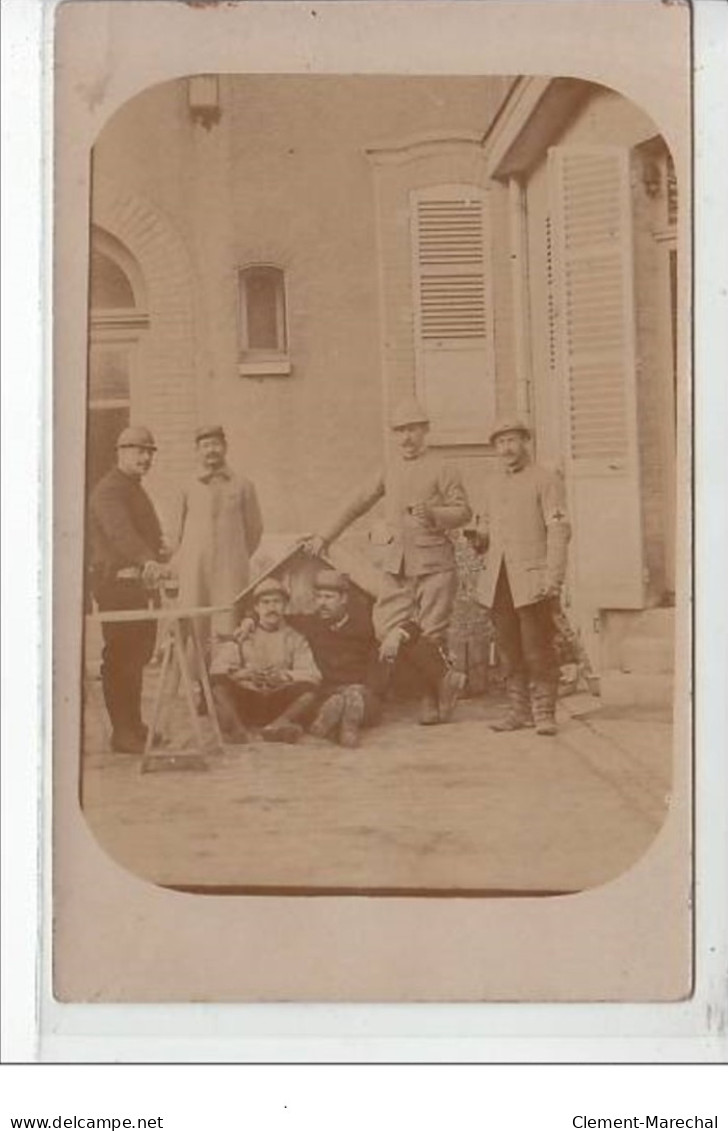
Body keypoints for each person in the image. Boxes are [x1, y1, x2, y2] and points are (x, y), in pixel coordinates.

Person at [303, 397, 471, 725]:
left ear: (425, 431)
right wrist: (325, 535)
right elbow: (356, 501)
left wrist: (436, 513)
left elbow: (463, 512)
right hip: (397, 566)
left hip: (435, 564)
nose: (406, 438)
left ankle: (430, 699)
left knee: (430, 634)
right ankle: (447, 679)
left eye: (412, 430)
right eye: (400, 431)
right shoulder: (389, 468)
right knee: (388, 627)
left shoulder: (444, 467)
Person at [469, 416, 571, 736]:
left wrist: (552, 577)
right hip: (499, 579)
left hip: (532, 579)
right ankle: (519, 710)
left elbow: (559, 529)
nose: (507, 448)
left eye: (512, 440)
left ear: (525, 442)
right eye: (500, 442)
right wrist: (478, 536)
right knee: (508, 647)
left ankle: (544, 713)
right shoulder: (491, 483)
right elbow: (486, 528)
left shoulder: (545, 479)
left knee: (537, 646)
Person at [87, 425, 169, 754]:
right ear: (121, 452)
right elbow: (120, 533)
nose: (146, 458)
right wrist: (147, 558)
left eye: (150, 452)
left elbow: (142, 533)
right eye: (139, 450)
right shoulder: (109, 490)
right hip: (117, 585)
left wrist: (159, 551)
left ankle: (133, 724)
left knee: (139, 656)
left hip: (138, 584)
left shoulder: (132, 487)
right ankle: (122, 732)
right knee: (122, 658)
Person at [172, 425, 263, 640]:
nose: (211, 450)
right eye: (205, 446)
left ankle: (226, 672)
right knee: (194, 619)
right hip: (195, 567)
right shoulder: (186, 486)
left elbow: (254, 529)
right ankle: (193, 673)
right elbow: (175, 530)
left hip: (230, 567)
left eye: (216, 444)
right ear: (197, 450)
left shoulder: (243, 485)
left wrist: (235, 554)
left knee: (229, 617)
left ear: (225, 447)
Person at [209, 578, 321, 745]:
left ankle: (277, 726)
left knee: (309, 693)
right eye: (266, 603)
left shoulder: (295, 638)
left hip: (278, 701)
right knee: (219, 689)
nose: (271, 608)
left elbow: (314, 674)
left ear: (285, 606)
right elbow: (217, 669)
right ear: (256, 608)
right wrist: (244, 674)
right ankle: (239, 730)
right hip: (249, 699)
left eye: (277, 602)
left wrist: (285, 676)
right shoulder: (243, 635)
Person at [288, 569, 384, 749]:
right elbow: (277, 617)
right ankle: (334, 721)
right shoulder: (309, 623)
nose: (322, 603)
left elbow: (376, 664)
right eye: (319, 597)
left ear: (344, 599)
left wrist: (367, 688)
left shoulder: (364, 627)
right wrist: (250, 619)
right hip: (327, 692)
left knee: (358, 699)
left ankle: (347, 726)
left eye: (328, 597)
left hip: (360, 690)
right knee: (323, 701)